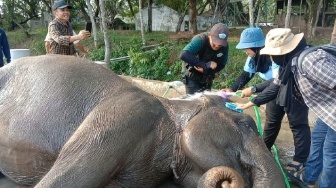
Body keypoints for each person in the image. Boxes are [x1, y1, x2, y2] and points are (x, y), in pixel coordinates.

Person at [222, 27, 311, 174]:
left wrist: (254, 91)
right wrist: (232, 89)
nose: (245, 52)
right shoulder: (253, 58)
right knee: (271, 121)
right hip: (272, 91)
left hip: (292, 90)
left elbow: (276, 82)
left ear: (256, 47)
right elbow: (246, 75)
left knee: (297, 124)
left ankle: (300, 159)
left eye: (246, 48)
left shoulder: (276, 56)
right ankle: (265, 148)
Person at [259, 28, 336, 188]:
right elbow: (275, 86)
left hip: (334, 110)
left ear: (283, 52)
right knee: (318, 139)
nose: (271, 58)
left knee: (330, 151)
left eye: (273, 54)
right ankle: (308, 179)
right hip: (328, 110)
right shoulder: (290, 63)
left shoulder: (310, 61)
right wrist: (253, 99)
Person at [180, 23, 229, 94]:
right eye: (214, 43)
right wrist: (204, 65)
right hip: (192, 74)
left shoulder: (225, 46)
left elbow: (222, 64)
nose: (216, 46)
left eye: (220, 45)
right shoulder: (200, 40)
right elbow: (183, 54)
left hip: (207, 75)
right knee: (194, 101)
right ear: (209, 35)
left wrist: (206, 71)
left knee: (207, 100)